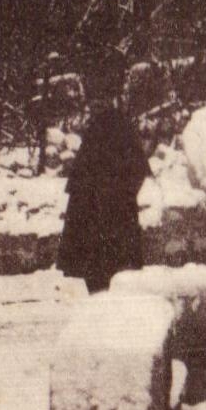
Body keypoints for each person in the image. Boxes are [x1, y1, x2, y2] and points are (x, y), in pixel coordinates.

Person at [57, 78, 148, 294]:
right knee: (104, 274)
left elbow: (137, 169)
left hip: (106, 218)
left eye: (101, 101)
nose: (97, 105)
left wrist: (119, 194)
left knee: (103, 275)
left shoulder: (115, 128)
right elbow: (138, 170)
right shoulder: (110, 128)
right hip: (103, 217)